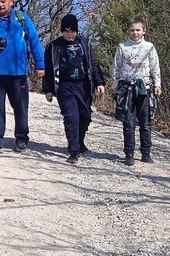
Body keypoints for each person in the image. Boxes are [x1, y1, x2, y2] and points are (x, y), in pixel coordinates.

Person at [0, 0, 45, 155]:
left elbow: (34, 41)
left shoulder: (21, 19)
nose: (0, 4)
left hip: (17, 73)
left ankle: (21, 139)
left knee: (20, 107)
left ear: (11, 2)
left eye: (3, 1)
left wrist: (40, 64)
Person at [42, 13, 106, 164]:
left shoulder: (85, 44)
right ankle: (74, 150)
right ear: (62, 31)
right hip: (64, 86)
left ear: (77, 31)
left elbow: (94, 65)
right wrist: (48, 89)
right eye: (67, 31)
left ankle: (80, 141)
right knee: (71, 117)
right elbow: (48, 70)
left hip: (83, 85)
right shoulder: (53, 46)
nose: (70, 34)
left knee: (85, 116)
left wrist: (99, 83)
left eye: (72, 31)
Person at [111, 17, 162, 166]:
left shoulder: (150, 47)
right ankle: (129, 154)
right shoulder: (122, 47)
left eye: (138, 30)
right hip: (127, 89)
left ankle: (146, 153)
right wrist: (115, 86)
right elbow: (116, 67)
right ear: (128, 31)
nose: (135, 33)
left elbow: (155, 67)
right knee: (128, 123)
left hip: (144, 89)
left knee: (145, 123)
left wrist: (157, 85)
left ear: (144, 31)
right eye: (132, 30)